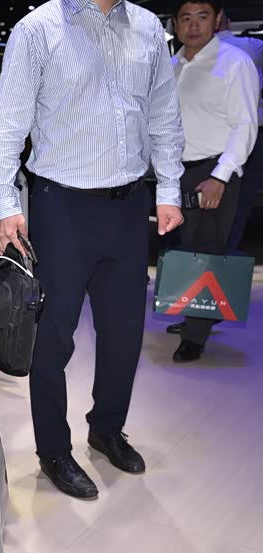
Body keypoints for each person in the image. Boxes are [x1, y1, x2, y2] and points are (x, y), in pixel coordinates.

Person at [0, 0, 185, 500]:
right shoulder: (38, 29)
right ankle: (54, 449)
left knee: (124, 333)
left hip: (129, 204)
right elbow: (7, 126)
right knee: (52, 338)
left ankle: (107, 428)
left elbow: (164, 114)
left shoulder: (146, 27)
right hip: (62, 208)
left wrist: (168, 189)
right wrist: (6, 204)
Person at [167, 0, 260, 363]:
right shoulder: (173, 66)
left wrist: (220, 176)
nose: (194, 26)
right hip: (178, 171)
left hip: (215, 170)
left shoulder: (234, 62)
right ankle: (197, 314)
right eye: (186, 18)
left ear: (217, 19)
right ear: (176, 23)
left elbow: (245, 125)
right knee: (186, 249)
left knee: (208, 250)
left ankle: (195, 336)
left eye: (202, 17)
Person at [217, 13, 263, 251]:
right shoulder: (251, 46)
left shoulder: (191, 55)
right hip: (253, 133)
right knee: (242, 198)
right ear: (228, 22)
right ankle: (228, 250)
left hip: (213, 134)